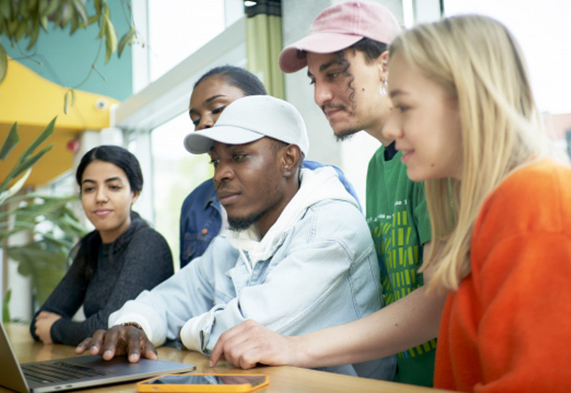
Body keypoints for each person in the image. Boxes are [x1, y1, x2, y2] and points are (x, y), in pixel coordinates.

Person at [381, 15, 571, 391]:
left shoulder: (538, 203)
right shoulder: (504, 207)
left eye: (404, 107)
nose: (389, 129)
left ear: (469, 102)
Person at [76, 95, 395, 381]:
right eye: (216, 161)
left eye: (239, 157)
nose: (220, 174)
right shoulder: (238, 239)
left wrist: (179, 331)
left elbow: (246, 332)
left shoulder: (331, 229)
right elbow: (171, 298)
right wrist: (134, 325)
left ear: (289, 159)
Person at [210, 2, 441, 387]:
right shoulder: (376, 167)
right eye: (314, 80)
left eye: (334, 73)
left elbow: (438, 302)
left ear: (386, 65)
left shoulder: (432, 159)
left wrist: (296, 347)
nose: (320, 96)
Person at [180, 65, 360, 268]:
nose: (203, 123)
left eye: (218, 109)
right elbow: (190, 289)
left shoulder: (324, 196)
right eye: (195, 119)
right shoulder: (196, 206)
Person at [30, 145, 174, 346]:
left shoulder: (148, 244)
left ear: (135, 194)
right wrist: (56, 326)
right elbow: (40, 321)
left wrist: (56, 329)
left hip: (147, 366)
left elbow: (112, 327)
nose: (100, 197)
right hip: (105, 364)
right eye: (89, 189)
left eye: (113, 187)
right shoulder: (92, 245)